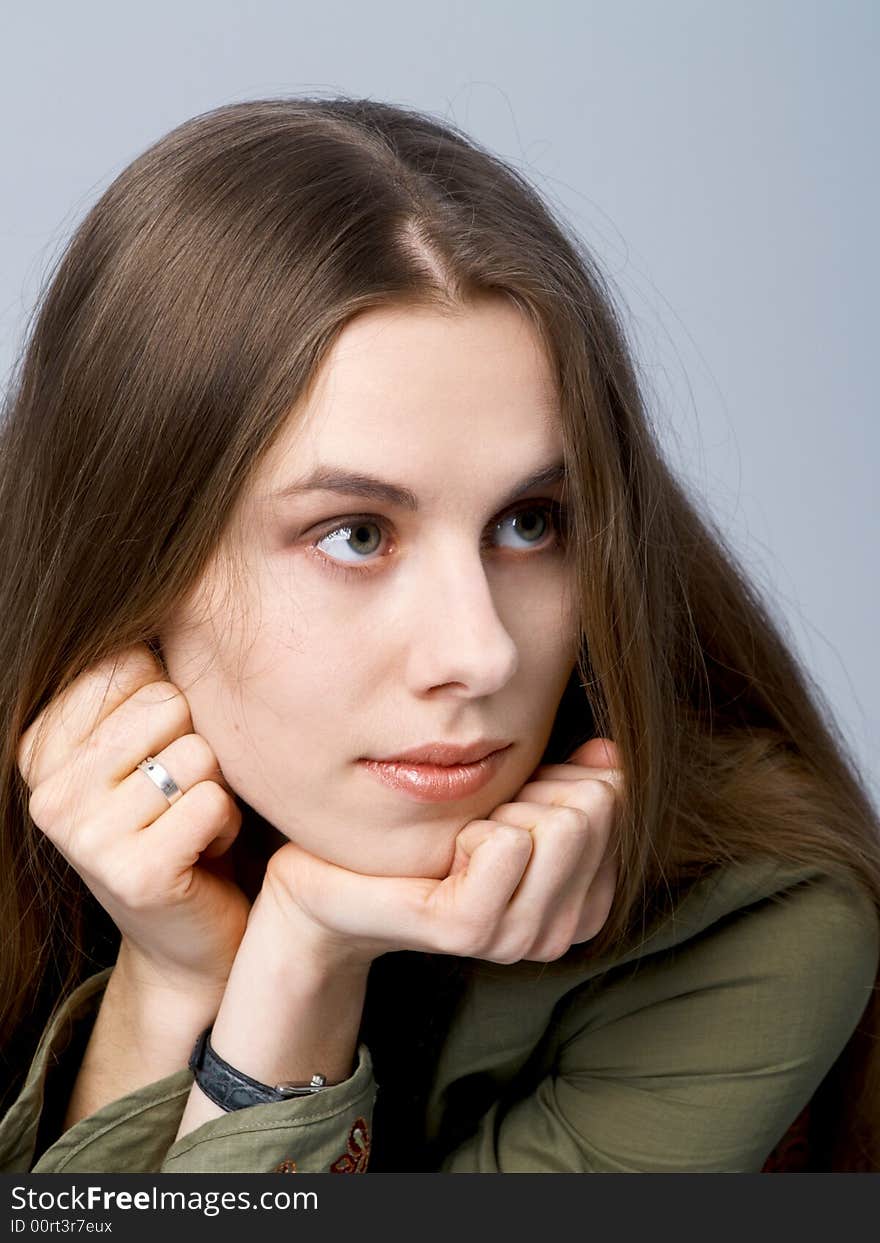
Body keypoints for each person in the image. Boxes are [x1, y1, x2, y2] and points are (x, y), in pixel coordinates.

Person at [0, 96, 877, 1176]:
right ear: (138, 554)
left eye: (528, 523)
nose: (482, 652)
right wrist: (169, 974)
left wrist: (301, 965)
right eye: (357, 533)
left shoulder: (749, 925)